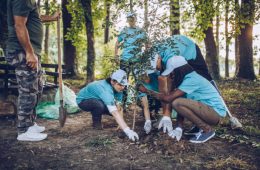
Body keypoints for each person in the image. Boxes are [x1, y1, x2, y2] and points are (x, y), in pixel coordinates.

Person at [139, 56, 226, 143]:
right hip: (208, 111)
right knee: (179, 102)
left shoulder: (191, 79)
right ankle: (198, 128)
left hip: (215, 114)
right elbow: (181, 107)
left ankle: (207, 130)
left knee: (177, 102)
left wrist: (147, 91)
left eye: (172, 72)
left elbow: (168, 99)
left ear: (179, 70)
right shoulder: (185, 80)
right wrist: (179, 128)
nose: (171, 75)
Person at [6, 0, 59, 141]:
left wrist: (52, 17)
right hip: (23, 51)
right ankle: (23, 130)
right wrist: (29, 52)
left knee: (37, 88)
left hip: (32, 52)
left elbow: (31, 17)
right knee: (28, 90)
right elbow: (19, 25)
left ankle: (30, 123)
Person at [76, 69, 139, 142]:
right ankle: (97, 124)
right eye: (120, 84)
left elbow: (119, 107)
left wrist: (121, 126)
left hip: (97, 98)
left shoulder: (119, 89)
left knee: (112, 108)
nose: (122, 87)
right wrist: (128, 131)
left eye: (124, 85)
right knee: (100, 106)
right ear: (112, 81)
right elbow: (115, 112)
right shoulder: (105, 90)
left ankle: (118, 122)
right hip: (83, 101)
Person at [115, 12, 152, 134]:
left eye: (132, 18)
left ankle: (146, 115)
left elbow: (147, 44)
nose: (130, 20)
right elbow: (117, 42)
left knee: (140, 84)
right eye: (129, 19)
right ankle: (123, 109)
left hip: (137, 61)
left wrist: (145, 56)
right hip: (125, 60)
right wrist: (116, 55)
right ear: (127, 20)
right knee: (122, 84)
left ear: (135, 19)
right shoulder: (124, 30)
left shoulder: (141, 31)